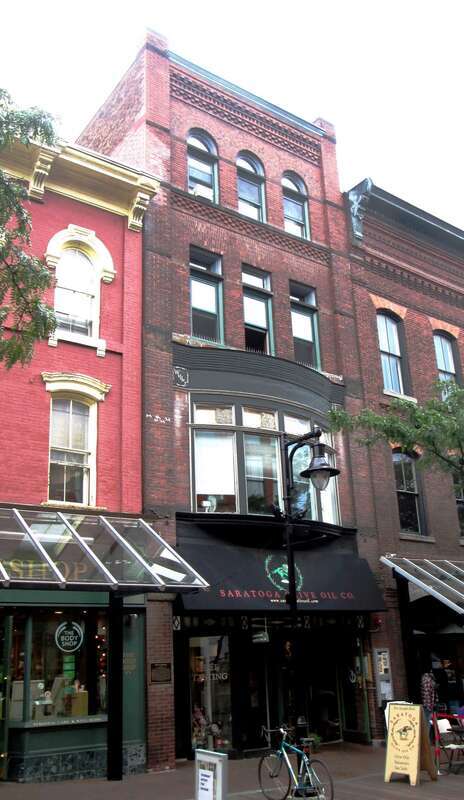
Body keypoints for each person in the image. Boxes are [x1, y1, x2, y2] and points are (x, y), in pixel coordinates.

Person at [421, 663, 437, 737]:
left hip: (428, 704)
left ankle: (428, 739)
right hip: (428, 705)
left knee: (428, 722)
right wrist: (429, 706)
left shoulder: (425, 678)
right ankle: (427, 739)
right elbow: (427, 693)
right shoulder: (427, 679)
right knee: (427, 722)